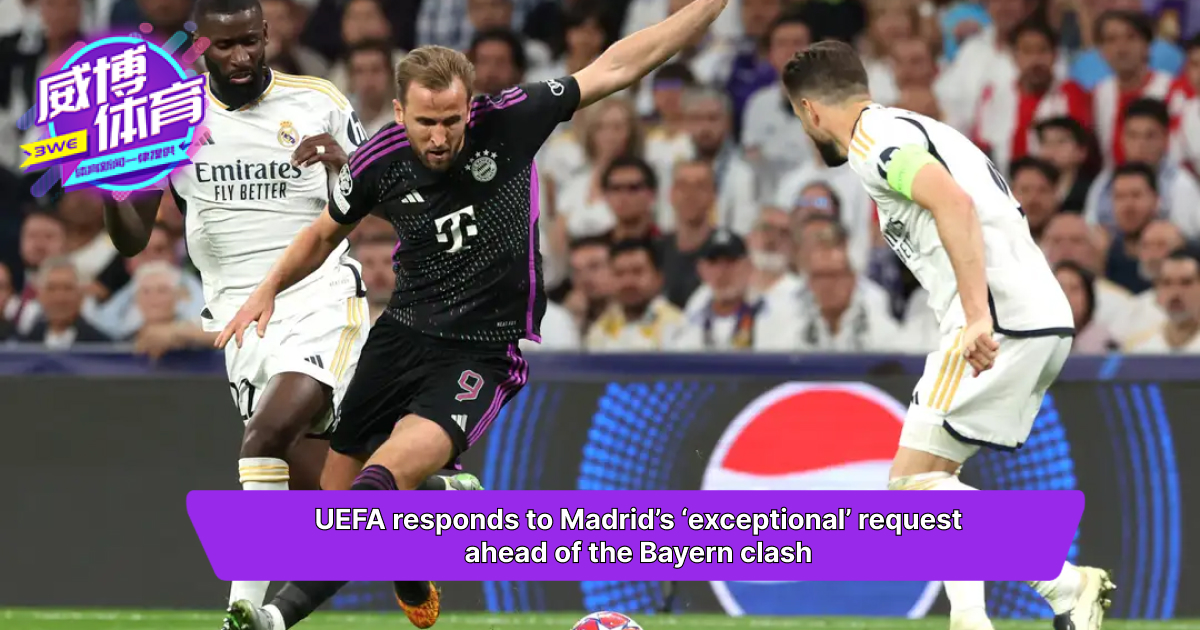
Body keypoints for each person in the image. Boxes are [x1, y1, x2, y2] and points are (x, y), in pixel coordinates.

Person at [217, 1, 732, 628]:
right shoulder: (378, 159)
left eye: (451, 121)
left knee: (376, 483)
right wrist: (269, 287)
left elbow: (617, 66)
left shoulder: (511, 119)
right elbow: (323, 234)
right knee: (335, 504)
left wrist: (706, 7)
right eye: (425, 123)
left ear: (469, 107)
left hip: (479, 351)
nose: (439, 138)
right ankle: (426, 518)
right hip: (400, 336)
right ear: (399, 113)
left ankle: (272, 619)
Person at [101, 0, 480, 622]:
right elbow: (131, 239)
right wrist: (108, 175)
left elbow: (397, 202)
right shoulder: (171, 121)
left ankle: (243, 611)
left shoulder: (317, 100)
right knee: (328, 491)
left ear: (267, 34)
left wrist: (346, 164)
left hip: (318, 298)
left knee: (265, 436)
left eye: (251, 41)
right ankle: (420, 511)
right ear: (200, 46)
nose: (242, 56)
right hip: (238, 317)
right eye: (225, 46)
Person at [782, 40, 1115, 630]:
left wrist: (977, 315)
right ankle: (977, 616)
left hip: (997, 318)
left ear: (809, 110)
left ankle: (1064, 583)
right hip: (1033, 312)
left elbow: (953, 204)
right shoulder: (914, 127)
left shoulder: (872, 143)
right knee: (932, 481)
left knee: (912, 488)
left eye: (799, 117)